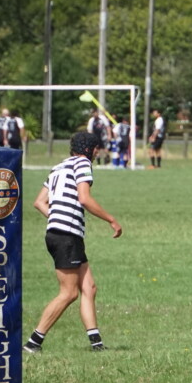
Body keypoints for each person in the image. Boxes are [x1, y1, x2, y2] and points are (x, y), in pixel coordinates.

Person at [23, 132, 123, 354]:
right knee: (68, 293)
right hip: (66, 236)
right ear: (89, 148)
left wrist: (56, 217)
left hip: (60, 234)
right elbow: (84, 198)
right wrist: (111, 219)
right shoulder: (83, 163)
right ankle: (32, 343)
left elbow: (39, 202)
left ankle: (96, 344)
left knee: (89, 287)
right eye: (96, 148)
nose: (97, 152)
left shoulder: (58, 167)